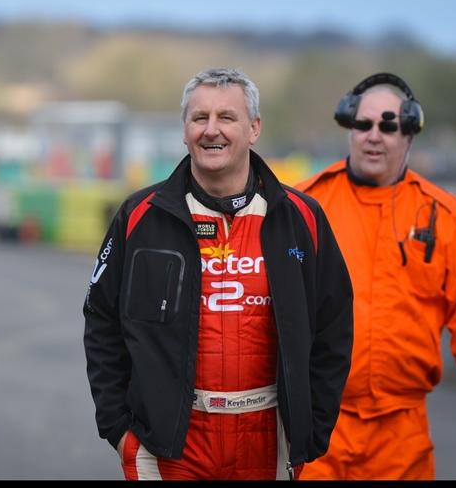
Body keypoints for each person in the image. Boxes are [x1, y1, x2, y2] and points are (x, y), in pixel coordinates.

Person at [82, 68, 354, 480]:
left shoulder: (301, 217)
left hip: (265, 439)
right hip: (170, 443)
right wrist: (119, 428)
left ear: (254, 128)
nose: (212, 131)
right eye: (199, 118)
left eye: (226, 117)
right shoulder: (140, 216)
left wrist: (312, 426)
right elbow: (101, 321)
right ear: (185, 130)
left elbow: (334, 326)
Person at [296, 73, 456, 480]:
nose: (374, 135)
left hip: (402, 435)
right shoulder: (306, 207)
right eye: (363, 124)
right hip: (318, 427)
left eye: (389, 125)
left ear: (409, 135)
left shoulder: (442, 215)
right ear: (348, 127)